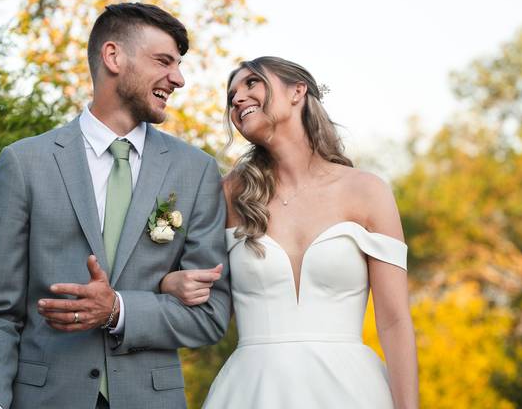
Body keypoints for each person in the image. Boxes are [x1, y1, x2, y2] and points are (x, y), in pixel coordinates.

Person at [0, 3, 231, 409]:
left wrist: (118, 309)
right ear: (113, 57)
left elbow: (212, 314)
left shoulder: (196, 170)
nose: (178, 79)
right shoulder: (25, 163)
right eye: (164, 62)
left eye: (179, 65)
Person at [160, 56, 419, 408]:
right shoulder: (227, 194)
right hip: (251, 391)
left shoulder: (368, 191)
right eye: (231, 94)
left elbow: (394, 321)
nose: (237, 99)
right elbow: (205, 296)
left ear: (298, 91)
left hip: (352, 390)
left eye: (251, 83)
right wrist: (168, 283)